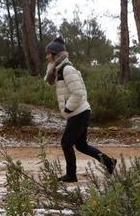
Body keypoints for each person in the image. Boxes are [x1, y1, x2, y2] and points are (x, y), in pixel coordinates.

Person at [43, 37, 116, 182]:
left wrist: (68, 109)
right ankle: (109, 162)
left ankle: (71, 175)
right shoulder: (59, 69)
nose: (46, 57)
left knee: (66, 143)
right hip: (79, 112)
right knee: (81, 145)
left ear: (55, 54)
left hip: (79, 113)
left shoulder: (67, 69)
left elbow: (78, 92)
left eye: (48, 53)